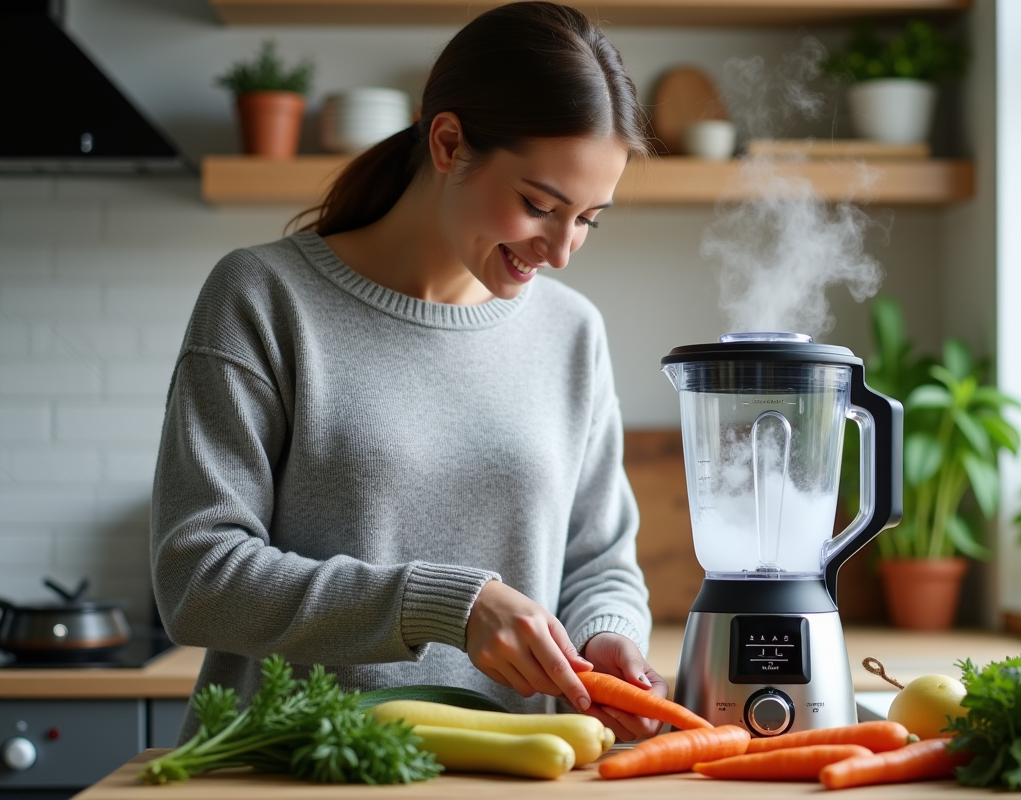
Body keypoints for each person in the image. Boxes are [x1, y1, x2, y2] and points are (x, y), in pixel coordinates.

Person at [150, 1, 666, 743]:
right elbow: (197, 579)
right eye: (538, 205)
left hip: (512, 772)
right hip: (291, 769)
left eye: (588, 219)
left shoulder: (571, 331)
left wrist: (606, 634)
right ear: (449, 143)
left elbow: (599, 560)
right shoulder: (263, 297)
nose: (560, 251)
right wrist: (443, 605)